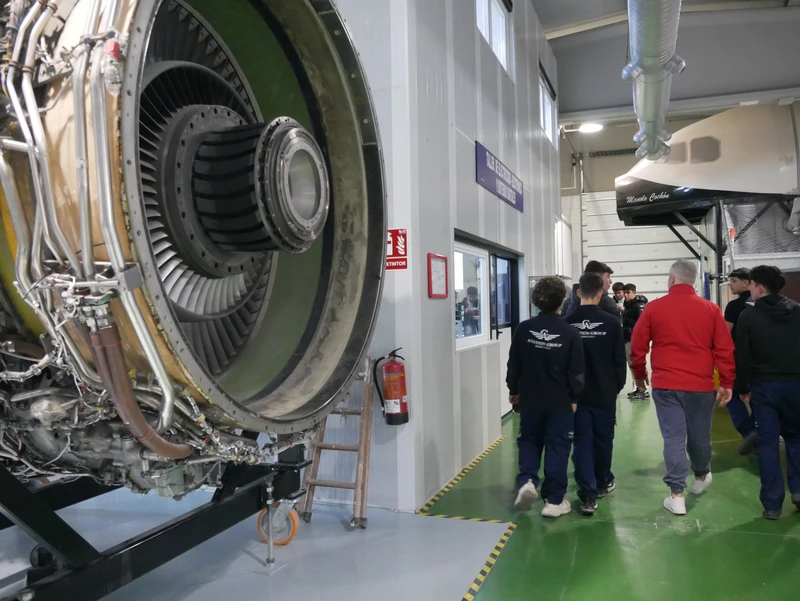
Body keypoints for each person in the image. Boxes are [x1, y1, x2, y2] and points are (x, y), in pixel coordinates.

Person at [630, 259, 734, 515]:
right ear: (693, 280)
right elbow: (724, 348)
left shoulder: (654, 309)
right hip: (700, 385)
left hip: (666, 386)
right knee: (700, 436)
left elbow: (637, 347)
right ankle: (700, 477)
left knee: (673, 438)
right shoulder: (710, 309)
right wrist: (727, 382)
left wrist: (640, 376)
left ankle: (676, 495)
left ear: (672, 279)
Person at [507, 276, 584, 518]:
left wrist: (513, 391)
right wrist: (575, 398)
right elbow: (577, 372)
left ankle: (528, 481)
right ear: (562, 300)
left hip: (530, 400)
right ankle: (553, 501)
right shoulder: (570, 333)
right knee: (558, 447)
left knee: (528, 440)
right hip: (559, 403)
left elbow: (514, 365)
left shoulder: (523, 329)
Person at [735, 265, 800, 520]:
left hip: (764, 388)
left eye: (750, 285)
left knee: (768, 443)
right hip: (796, 386)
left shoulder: (748, 317)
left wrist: (743, 389)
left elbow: (742, 356)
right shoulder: (797, 311)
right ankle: (798, 491)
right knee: (796, 439)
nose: (749, 289)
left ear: (760, 288)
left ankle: (772, 504)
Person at [566, 273, 627, 515]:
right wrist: (616, 388)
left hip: (576, 397)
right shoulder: (611, 323)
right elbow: (619, 361)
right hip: (604, 393)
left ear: (579, 292)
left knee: (581, 443)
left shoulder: (567, 322)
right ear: (601, 293)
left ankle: (587, 495)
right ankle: (603, 480)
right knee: (604, 439)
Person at [724, 268, 757, 455]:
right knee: (757, 398)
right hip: (762, 360)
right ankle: (758, 430)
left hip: (738, 359)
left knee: (732, 397)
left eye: (734, 280)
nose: (730, 284)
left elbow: (724, 334)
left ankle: (749, 432)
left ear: (746, 282)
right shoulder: (761, 304)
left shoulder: (734, 306)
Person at [621, 284, 649, 400]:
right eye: (625, 292)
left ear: (634, 292)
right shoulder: (628, 305)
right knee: (632, 364)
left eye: (628, 292)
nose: (626, 295)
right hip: (628, 338)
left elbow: (642, 324)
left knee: (637, 364)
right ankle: (638, 388)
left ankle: (643, 390)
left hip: (634, 339)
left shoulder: (639, 306)